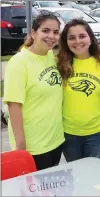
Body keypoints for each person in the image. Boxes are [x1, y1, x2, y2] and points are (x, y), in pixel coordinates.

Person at [3, 11, 65, 171]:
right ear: (33, 33)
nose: (51, 36)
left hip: (55, 140)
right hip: (33, 146)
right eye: (45, 31)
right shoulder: (19, 62)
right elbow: (14, 105)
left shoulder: (51, 56)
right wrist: (21, 146)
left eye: (56, 32)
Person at [57, 19, 100, 162]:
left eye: (82, 36)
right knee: (77, 177)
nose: (77, 41)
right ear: (66, 42)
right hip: (68, 133)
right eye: (71, 38)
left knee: (95, 178)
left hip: (98, 133)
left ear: (91, 38)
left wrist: (98, 99)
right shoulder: (59, 65)